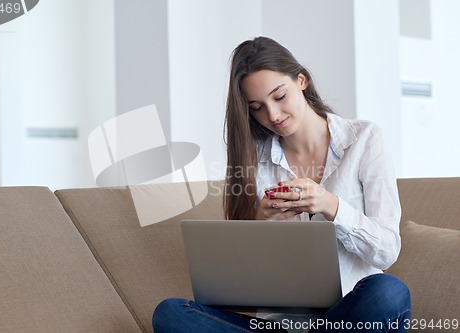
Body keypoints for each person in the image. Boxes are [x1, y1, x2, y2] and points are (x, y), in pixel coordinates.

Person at [152, 36, 411, 333]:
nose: (272, 115)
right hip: (281, 324)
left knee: (389, 292)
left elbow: (387, 251)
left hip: (350, 316)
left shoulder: (364, 139)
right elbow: (240, 278)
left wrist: (331, 206)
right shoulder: (254, 158)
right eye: (257, 107)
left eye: (279, 96)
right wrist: (262, 222)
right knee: (171, 313)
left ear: (301, 80)